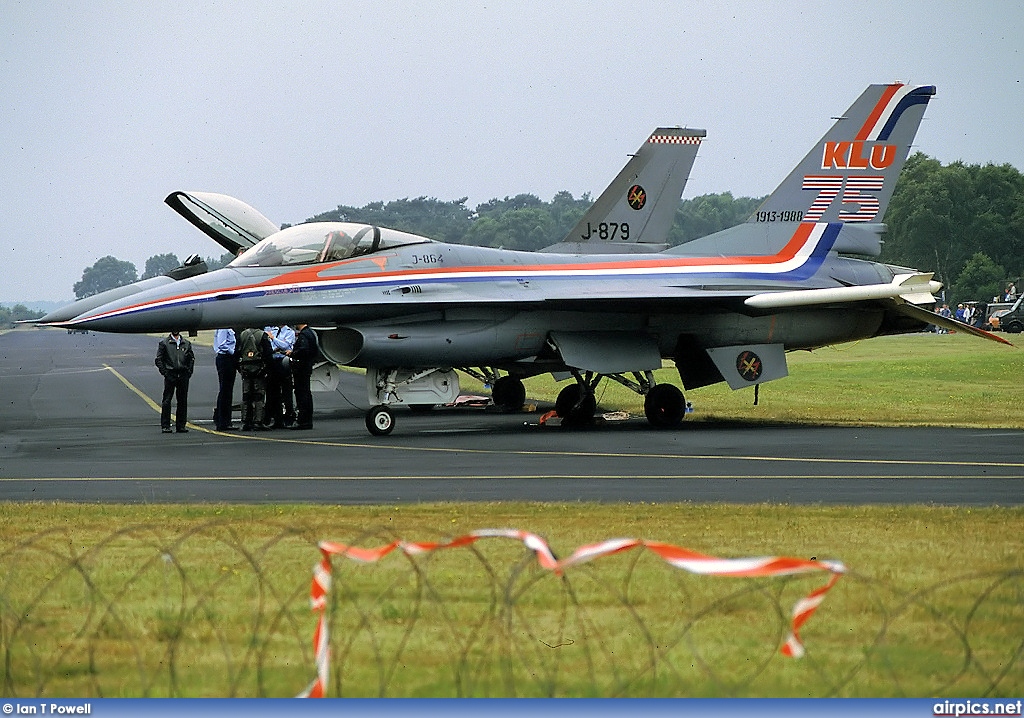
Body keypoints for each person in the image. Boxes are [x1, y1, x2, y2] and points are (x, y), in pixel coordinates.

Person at [155, 330, 195, 433]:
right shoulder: (164, 343)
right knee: (167, 400)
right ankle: (165, 425)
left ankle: (181, 425)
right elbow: (159, 359)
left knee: (182, 401)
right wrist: (165, 373)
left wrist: (188, 372)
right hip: (171, 374)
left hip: (183, 374)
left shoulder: (186, 343)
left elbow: (191, 358)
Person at [237, 327, 273, 431]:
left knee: (246, 396)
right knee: (259, 396)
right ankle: (258, 421)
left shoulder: (242, 334)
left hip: (245, 369)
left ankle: (245, 422)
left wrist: (240, 368)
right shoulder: (262, 335)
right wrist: (267, 369)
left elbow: (237, 352)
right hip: (258, 369)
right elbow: (268, 353)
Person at [263, 324, 296, 428]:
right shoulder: (271, 330)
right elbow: (270, 346)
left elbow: (285, 346)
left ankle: (289, 418)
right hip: (273, 362)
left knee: (287, 391)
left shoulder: (289, 332)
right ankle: (277, 419)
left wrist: (273, 338)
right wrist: (277, 345)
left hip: (283, 362)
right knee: (273, 392)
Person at [290, 323, 318, 430]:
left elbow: (304, 350)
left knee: (302, 394)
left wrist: (292, 353)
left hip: (301, 367)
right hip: (307, 366)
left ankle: (303, 421)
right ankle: (307, 420)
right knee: (306, 393)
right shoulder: (311, 333)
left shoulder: (304, 335)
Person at [213, 327, 238, 431]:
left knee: (226, 391)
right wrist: (233, 353)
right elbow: (222, 344)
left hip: (227, 358)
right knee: (225, 391)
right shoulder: (224, 327)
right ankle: (223, 422)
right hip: (226, 359)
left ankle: (224, 420)